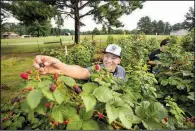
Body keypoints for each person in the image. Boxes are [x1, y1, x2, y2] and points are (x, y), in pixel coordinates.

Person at [33, 44, 126, 80]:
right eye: (107, 56)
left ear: (119, 61)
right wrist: (60, 66)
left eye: (113, 58)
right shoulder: (97, 70)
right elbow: (82, 72)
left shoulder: (122, 70)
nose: (109, 60)